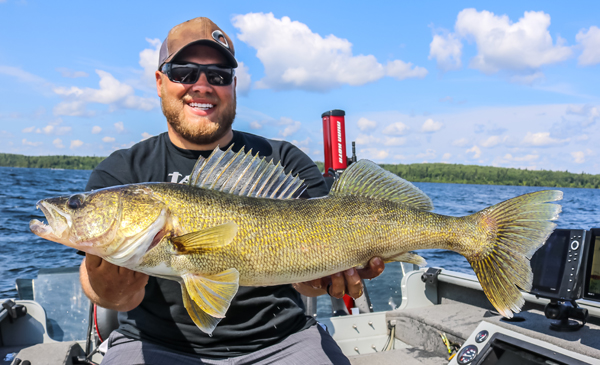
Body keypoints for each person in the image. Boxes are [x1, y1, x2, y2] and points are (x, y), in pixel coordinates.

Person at [80, 17, 385, 364]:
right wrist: (111, 286)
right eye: (183, 72)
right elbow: (112, 298)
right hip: (155, 344)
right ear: (160, 81)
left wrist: (332, 276)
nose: (202, 85)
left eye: (218, 76)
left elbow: (308, 283)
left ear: (233, 85)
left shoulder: (284, 160)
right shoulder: (122, 172)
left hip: (284, 341)